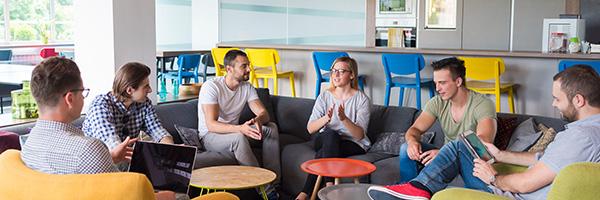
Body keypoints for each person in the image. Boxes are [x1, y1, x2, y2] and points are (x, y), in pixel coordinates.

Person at [367, 65, 600, 200]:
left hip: (512, 193)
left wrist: (493, 177)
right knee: (450, 147)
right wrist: (500, 155)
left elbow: (527, 183)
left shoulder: (580, 137)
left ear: (578, 100)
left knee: (459, 147)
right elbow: (546, 160)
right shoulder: (590, 132)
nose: (553, 105)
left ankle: (417, 190)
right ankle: (415, 188)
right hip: (518, 184)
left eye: (557, 99)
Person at [21, 57, 174, 200]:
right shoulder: (88, 148)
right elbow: (127, 195)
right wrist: (168, 196)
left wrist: (111, 158)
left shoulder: (29, 145)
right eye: (82, 92)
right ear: (70, 99)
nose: (84, 97)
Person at [398, 57, 497, 183]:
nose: (437, 88)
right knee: (405, 148)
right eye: (436, 83)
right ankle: (409, 192)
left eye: (442, 83)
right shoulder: (437, 102)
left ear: (458, 81)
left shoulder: (482, 104)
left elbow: (483, 142)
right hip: (445, 159)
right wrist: (412, 142)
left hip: (471, 161)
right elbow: (415, 130)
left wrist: (443, 153)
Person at [197, 49, 280, 198]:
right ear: (229, 69)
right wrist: (240, 129)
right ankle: (266, 191)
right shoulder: (211, 87)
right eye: (244, 66)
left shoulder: (246, 88)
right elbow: (211, 125)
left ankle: (274, 181)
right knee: (239, 138)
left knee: (271, 128)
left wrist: (257, 120)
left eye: (248, 65)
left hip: (234, 131)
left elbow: (264, 114)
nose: (249, 69)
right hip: (211, 136)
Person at [294, 57, 372, 200]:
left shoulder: (362, 100)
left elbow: (360, 135)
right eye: (333, 71)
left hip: (353, 143)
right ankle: (330, 187)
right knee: (331, 135)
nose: (335, 75)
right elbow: (310, 129)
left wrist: (344, 119)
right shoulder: (324, 96)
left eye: (341, 71)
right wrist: (326, 119)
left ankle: (304, 193)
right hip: (326, 138)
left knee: (323, 154)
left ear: (352, 75)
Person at [83, 62, 174, 165]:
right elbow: (112, 143)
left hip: (125, 160)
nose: (150, 90)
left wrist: (170, 150)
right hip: (98, 165)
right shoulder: (101, 105)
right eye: (146, 86)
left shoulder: (144, 103)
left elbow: (157, 130)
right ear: (129, 90)